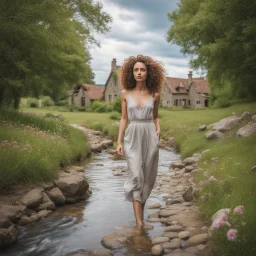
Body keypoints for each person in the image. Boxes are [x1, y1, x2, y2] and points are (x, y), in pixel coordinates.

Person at [115, 54, 166, 228]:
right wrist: (119, 142)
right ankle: (139, 224)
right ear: (131, 72)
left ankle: (140, 219)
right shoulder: (125, 93)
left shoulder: (155, 94)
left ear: (148, 72)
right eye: (136, 69)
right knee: (136, 175)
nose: (139, 72)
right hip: (132, 135)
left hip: (150, 135)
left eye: (142, 70)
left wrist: (158, 127)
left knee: (147, 178)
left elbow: (156, 117)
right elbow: (123, 119)